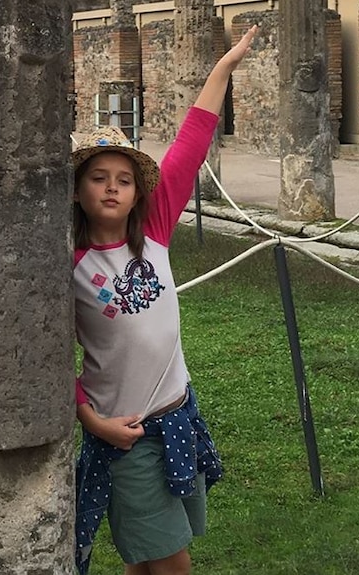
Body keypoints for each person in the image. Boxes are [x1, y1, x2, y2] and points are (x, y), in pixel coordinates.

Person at [72, 25, 259, 575]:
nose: (111, 188)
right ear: (79, 190)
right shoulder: (71, 264)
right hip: (127, 433)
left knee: (149, 557)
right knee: (170, 561)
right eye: (99, 178)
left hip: (178, 414)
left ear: (138, 193)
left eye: (124, 180)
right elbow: (43, 358)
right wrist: (90, 420)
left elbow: (190, 142)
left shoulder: (153, 231)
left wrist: (221, 69)